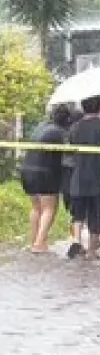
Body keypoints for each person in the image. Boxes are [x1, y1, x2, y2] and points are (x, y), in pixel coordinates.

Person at [19, 104, 72, 253]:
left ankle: (35, 240)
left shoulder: (41, 126)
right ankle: (39, 243)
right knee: (49, 208)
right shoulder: (60, 132)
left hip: (27, 170)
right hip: (45, 173)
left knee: (36, 208)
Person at [68, 96, 100, 260]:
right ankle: (92, 251)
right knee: (96, 215)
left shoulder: (75, 127)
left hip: (78, 176)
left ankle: (76, 241)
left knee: (78, 213)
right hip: (96, 177)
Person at [62, 108, 86, 259]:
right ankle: (86, 246)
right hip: (80, 176)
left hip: (68, 180)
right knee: (87, 213)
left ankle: (77, 242)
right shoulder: (81, 132)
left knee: (76, 214)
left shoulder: (68, 133)